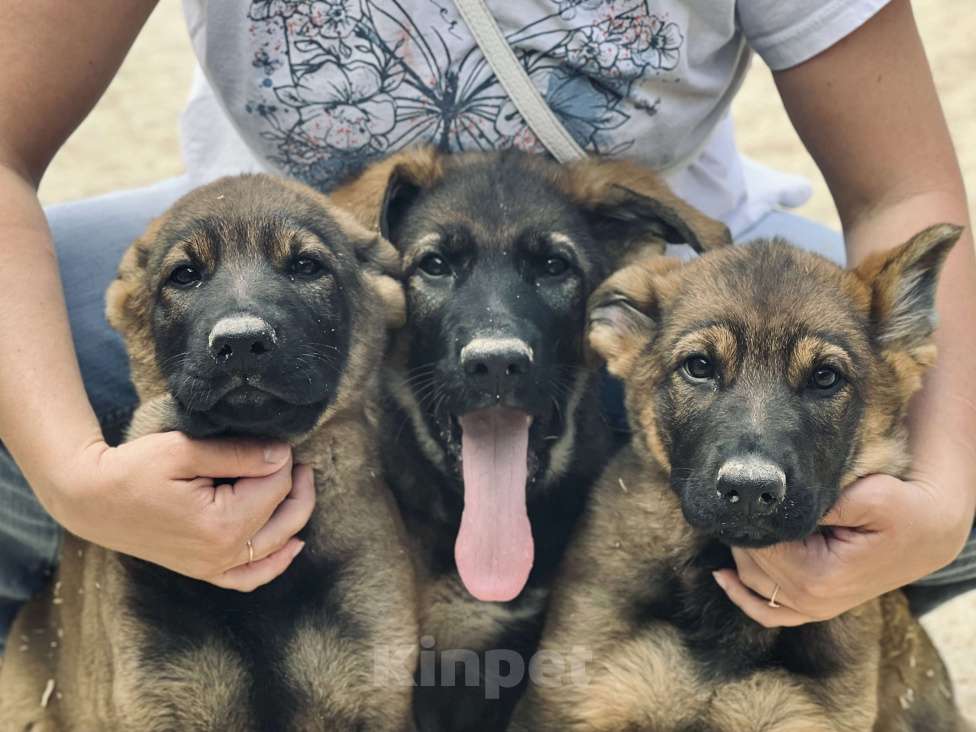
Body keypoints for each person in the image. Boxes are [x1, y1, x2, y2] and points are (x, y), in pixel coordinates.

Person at [1, 0, 973, 654]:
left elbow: (902, 191)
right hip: (301, 289)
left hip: (640, 288)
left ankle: (747, 632)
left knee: (958, 417)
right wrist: (75, 481)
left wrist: (934, 509)